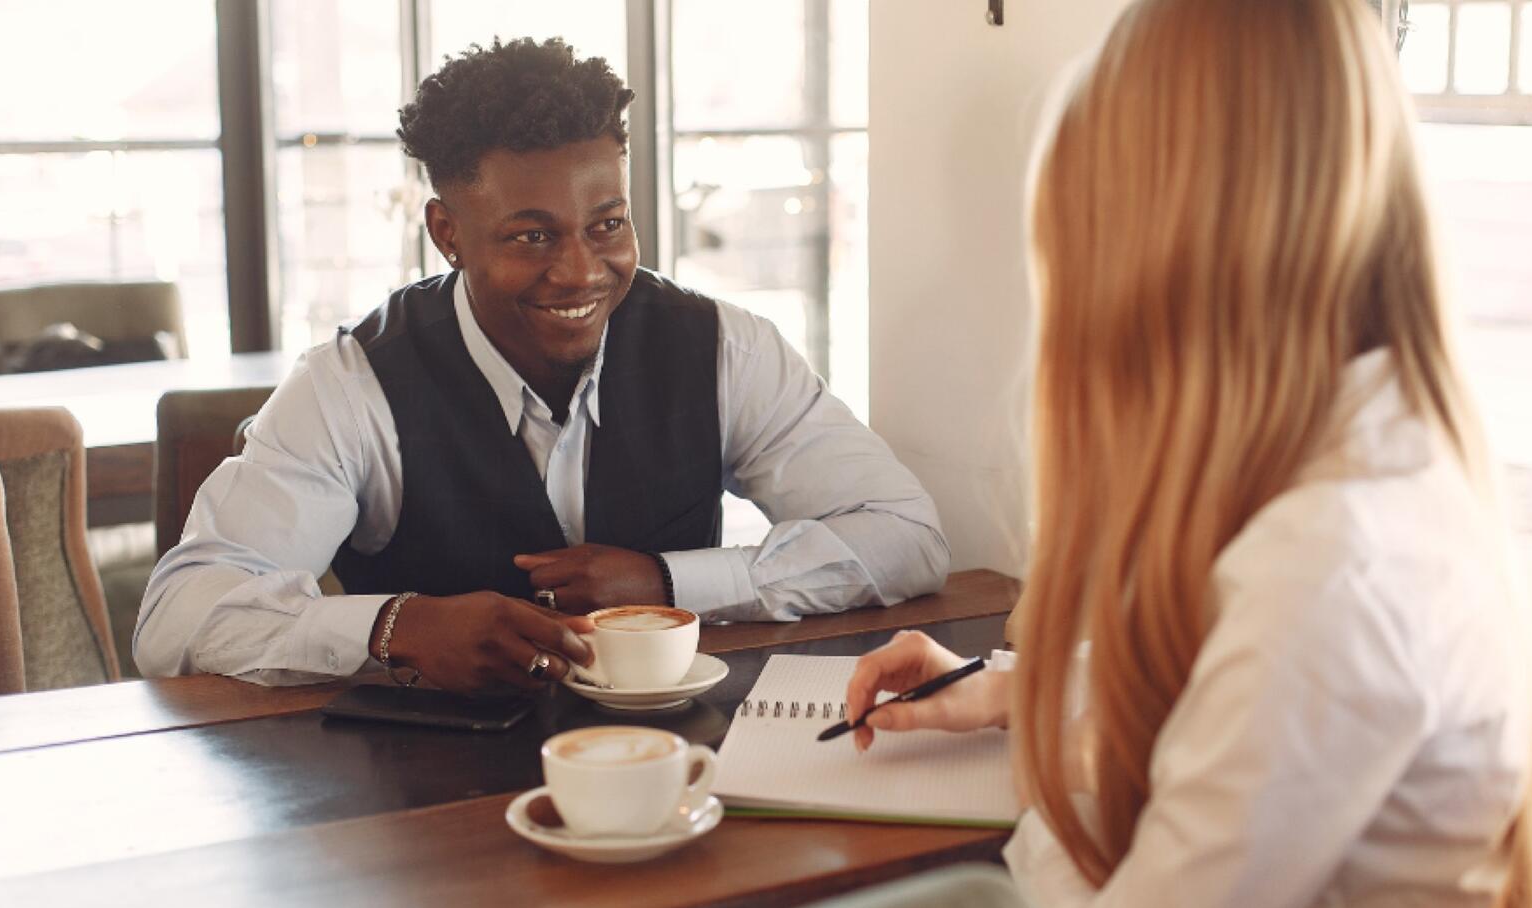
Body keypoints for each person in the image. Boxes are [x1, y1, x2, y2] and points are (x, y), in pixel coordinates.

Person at [845, 0, 1532, 908]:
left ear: (1175, 263)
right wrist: (1003, 691)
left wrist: (1040, 810)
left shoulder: (1332, 567)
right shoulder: (1379, 476)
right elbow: (1229, 689)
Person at [136, 38, 948, 691]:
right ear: (447, 232)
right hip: (428, 808)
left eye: (607, 225)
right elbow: (177, 615)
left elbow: (906, 537)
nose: (581, 271)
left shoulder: (723, 350)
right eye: (532, 236)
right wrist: (395, 627)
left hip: (679, 771)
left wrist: (671, 584)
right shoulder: (351, 386)